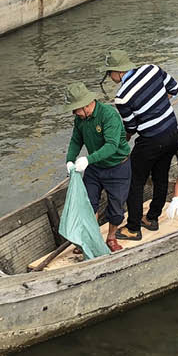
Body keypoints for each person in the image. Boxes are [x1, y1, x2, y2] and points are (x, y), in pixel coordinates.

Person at [104, 50, 178, 239]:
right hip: (172, 134)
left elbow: (131, 125)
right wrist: (159, 105)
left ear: (118, 72)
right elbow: (174, 88)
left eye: (109, 73)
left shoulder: (122, 96)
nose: (109, 77)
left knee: (134, 181)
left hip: (151, 142)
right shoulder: (152, 69)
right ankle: (152, 218)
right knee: (160, 177)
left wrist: (125, 137)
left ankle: (133, 228)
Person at [62, 81, 132, 252]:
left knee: (116, 209)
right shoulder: (79, 119)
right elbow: (76, 140)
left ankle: (111, 237)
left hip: (117, 167)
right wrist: (70, 160)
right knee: (88, 204)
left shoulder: (108, 115)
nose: (75, 113)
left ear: (86, 105)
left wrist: (87, 160)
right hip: (95, 168)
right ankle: (92, 239)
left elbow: (111, 145)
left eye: (76, 109)